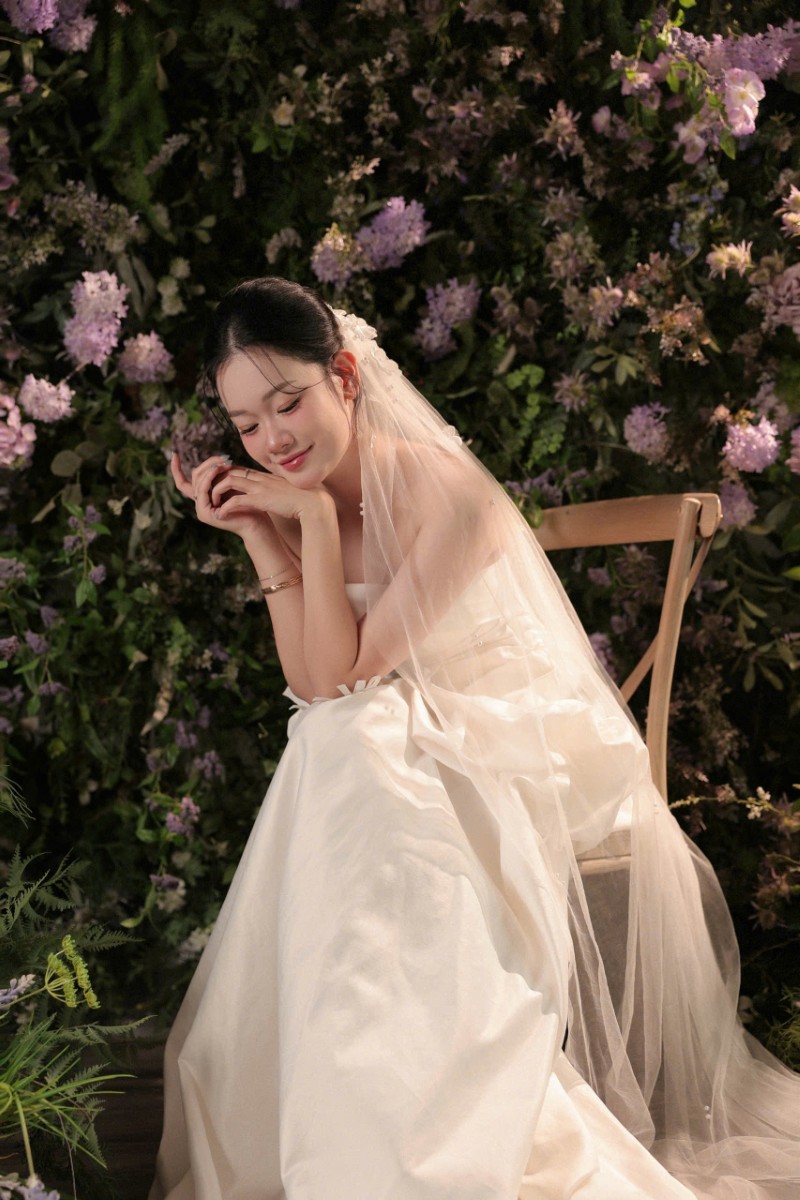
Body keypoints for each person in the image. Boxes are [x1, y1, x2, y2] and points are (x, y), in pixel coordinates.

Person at [150, 277, 799, 1200]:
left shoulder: (447, 491)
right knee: (350, 739)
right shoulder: (298, 498)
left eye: (288, 402)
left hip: (519, 733)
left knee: (357, 737)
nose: (273, 440)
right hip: (393, 733)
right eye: (247, 425)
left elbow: (347, 675)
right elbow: (318, 684)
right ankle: (361, 1103)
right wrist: (261, 531)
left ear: (344, 377)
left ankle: (419, 1118)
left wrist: (311, 525)